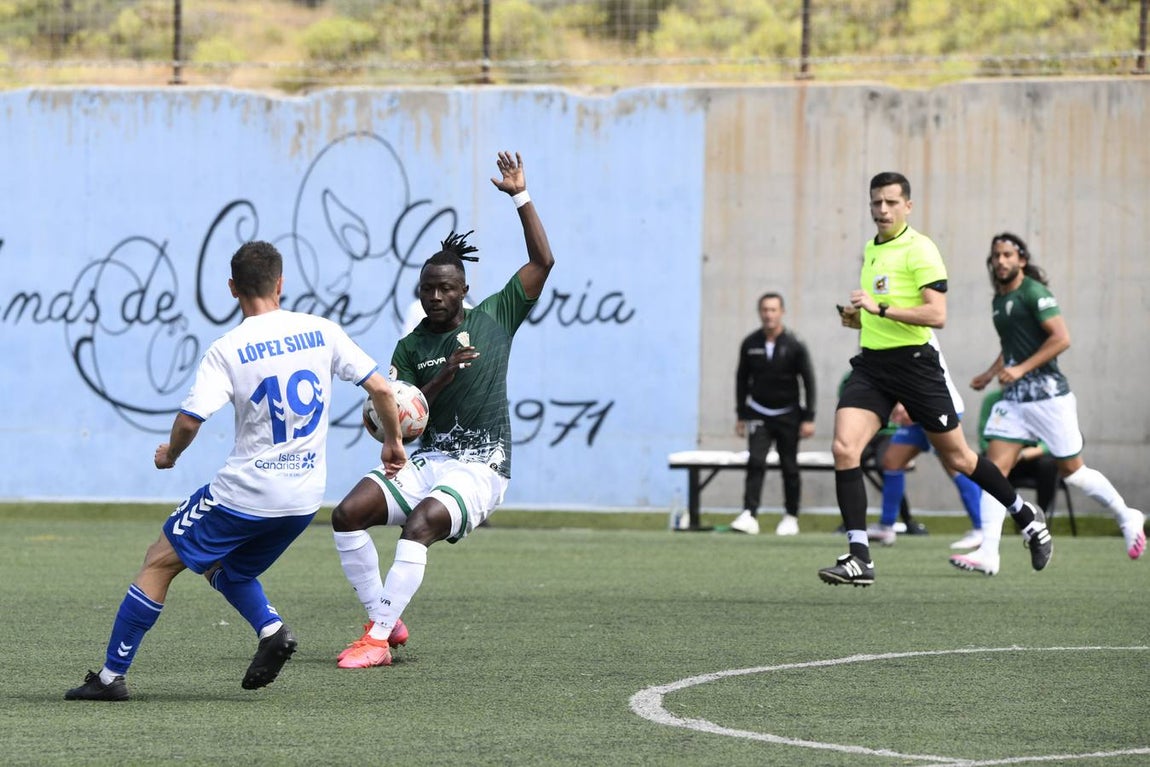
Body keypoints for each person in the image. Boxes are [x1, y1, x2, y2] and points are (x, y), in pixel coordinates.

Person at [65, 241, 407, 701]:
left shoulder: (228, 348)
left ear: (232, 288)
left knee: (158, 561)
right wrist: (392, 441)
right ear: (281, 284)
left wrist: (170, 456)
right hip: (305, 498)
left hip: (247, 493)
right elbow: (383, 390)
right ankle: (271, 631)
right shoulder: (322, 331)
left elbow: (190, 420)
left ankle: (110, 679)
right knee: (223, 567)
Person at [330, 150, 554, 668]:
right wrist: (442, 377)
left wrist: (520, 195)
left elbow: (543, 262)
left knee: (421, 526)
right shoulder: (409, 348)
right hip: (429, 461)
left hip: (482, 466)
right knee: (346, 515)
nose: (435, 296)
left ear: (463, 291)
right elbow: (397, 424)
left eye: (445, 288)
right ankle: (384, 616)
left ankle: (377, 641)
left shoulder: (498, 315)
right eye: (427, 288)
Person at [818, 172, 1050, 587]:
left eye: (891, 202)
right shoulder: (871, 248)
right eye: (876, 203)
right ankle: (859, 557)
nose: (883, 210)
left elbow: (936, 315)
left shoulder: (921, 249)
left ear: (908, 206)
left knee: (959, 458)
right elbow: (881, 307)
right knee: (844, 446)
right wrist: (861, 316)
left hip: (916, 366)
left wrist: (881, 308)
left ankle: (1026, 515)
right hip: (873, 365)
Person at [950, 232, 1144, 575]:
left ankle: (1126, 514)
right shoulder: (999, 300)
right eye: (996, 256)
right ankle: (989, 552)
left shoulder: (1034, 293)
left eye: (1008, 255)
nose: (1001, 261)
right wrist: (990, 372)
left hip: (1049, 398)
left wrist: (1020, 369)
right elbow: (1012, 347)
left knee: (1075, 474)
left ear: (1022, 260)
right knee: (994, 471)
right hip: (1014, 402)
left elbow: (1061, 338)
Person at [867, 334, 984, 550]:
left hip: (936, 405)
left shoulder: (912, 325)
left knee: (957, 464)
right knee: (892, 461)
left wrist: (907, 403)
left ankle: (982, 528)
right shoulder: (887, 328)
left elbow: (919, 368)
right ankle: (886, 526)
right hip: (918, 405)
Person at [731, 292, 816, 536]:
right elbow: (741, 379)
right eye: (765, 310)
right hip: (759, 412)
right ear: (760, 313)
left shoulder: (795, 344)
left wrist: (809, 417)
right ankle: (749, 514)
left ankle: (790, 516)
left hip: (789, 414)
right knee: (755, 462)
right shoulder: (750, 344)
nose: (769, 314)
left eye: (773, 310)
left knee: (789, 466)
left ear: (782, 312)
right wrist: (741, 414)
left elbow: (809, 381)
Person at [979, 388, 1060, 516]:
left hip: (1031, 459)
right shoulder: (994, 400)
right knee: (983, 465)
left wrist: (1021, 455)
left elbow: (1052, 441)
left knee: (1048, 464)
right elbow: (984, 439)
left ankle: (1039, 516)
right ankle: (988, 521)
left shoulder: (1041, 400)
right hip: (1002, 456)